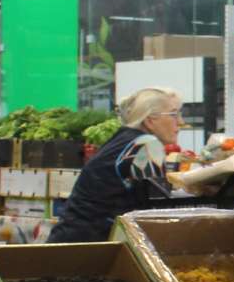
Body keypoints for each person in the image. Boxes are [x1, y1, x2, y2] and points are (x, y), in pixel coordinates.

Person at [50, 87, 205, 243]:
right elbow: (158, 207)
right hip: (91, 246)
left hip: (73, 239)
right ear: (150, 120)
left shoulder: (124, 139)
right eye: (173, 114)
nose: (181, 122)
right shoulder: (146, 144)